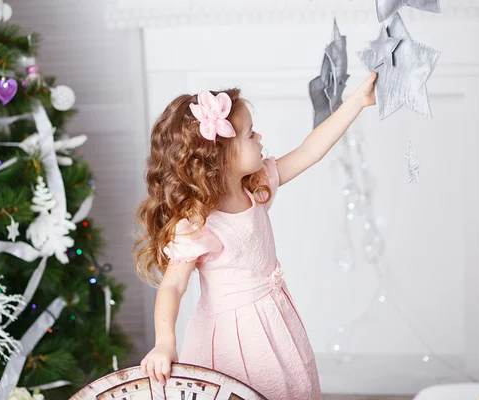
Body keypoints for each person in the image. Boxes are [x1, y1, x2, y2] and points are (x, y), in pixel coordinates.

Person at [133, 72, 377, 399]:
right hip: (231, 337)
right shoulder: (198, 223)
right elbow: (173, 286)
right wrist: (165, 343)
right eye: (250, 134)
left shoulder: (256, 187)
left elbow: (308, 152)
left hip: (274, 320)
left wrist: (357, 102)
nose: (260, 136)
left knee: (286, 387)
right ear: (219, 157)